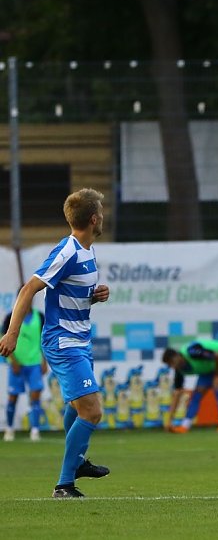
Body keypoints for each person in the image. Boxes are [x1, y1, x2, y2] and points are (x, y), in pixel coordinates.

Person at [0, 188, 111, 499]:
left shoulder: (87, 251)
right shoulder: (68, 252)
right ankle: (65, 483)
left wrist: (95, 295)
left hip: (79, 339)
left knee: (77, 408)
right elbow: (28, 290)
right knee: (92, 411)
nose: (103, 217)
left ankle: (76, 464)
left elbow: (67, 292)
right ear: (94, 218)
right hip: (63, 341)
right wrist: (12, 332)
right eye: (101, 212)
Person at [162, 338, 218, 433]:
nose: (172, 367)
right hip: (208, 367)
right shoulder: (179, 369)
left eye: (171, 363)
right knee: (196, 395)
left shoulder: (193, 352)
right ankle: (184, 427)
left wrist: (217, 376)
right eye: (170, 365)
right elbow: (177, 393)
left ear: (176, 356)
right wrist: (169, 420)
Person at [3, 299, 47, 442]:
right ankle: (9, 429)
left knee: (35, 397)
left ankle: (35, 430)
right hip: (17, 364)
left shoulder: (39, 316)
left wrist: (44, 361)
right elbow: (3, 340)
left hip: (34, 363)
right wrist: (13, 361)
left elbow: (44, 340)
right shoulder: (10, 317)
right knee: (12, 397)